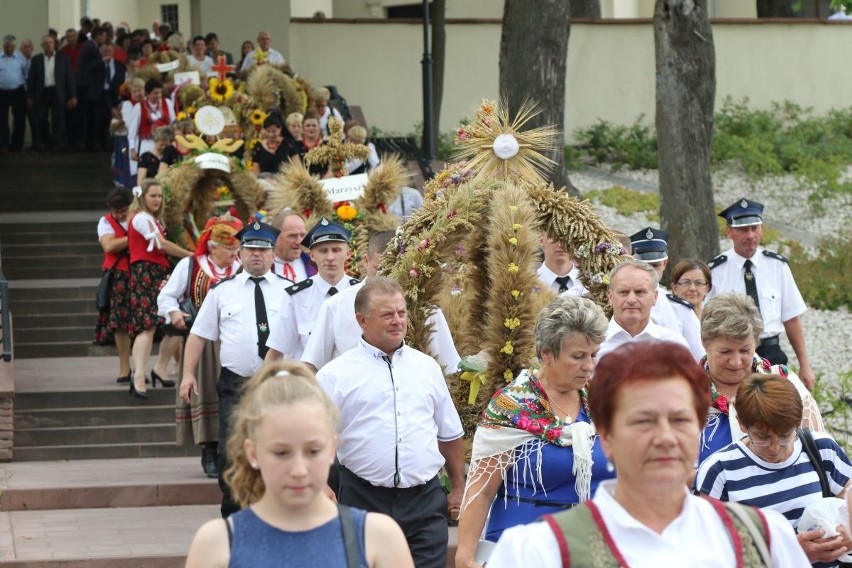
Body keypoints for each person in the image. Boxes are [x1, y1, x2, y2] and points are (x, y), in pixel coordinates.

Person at [486, 341, 810, 567]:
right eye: (643, 420)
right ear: (608, 437)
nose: (666, 437)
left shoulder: (764, 536)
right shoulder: (538, 552)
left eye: (681, 419)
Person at [185, 360, 415, 568]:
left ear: (332, 449)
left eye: (313, 451)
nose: (299, 470)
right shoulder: (216, 545)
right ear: (252, 453)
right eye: (281, 452)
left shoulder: (377, 538)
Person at [455, 295, 616, 568]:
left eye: (593, 355)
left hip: (590, 551)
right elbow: (481, 491)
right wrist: (465, 556)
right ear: (546, 354)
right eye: (577, 356)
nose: (589, 365)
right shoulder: (511, 406)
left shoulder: (600, 404)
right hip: (521, 552)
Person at [316, 277, 466, 568]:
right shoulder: (335, 375)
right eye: (387, 314)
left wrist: (458, 485)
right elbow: (315, 439)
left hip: (424, 502)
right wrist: (319, 484)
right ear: (362, 320)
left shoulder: (427, 367)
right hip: (363, 500)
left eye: (402, 312)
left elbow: (449, 433)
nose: (397, 321)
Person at [181, 220, 301, 518]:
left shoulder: (292, 291)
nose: (256, 255)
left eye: (263, 249)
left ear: (274, 253)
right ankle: (235, 516)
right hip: (236, 383)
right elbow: (198, 334)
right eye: (250, 250)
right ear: (240, 254)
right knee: (230, 453)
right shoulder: (222, 291)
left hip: (278, 384)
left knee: (278, 447)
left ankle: (275, 510)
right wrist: (187, 374)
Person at [696, 374, 852, 566]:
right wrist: (788, 552)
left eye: (786, 435)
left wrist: (847, 533)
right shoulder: (719, 471)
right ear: (742, 424)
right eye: (763, 437)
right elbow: (706, 549)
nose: (775, 447)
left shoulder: (821, 448)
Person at [301, 230, 460, 375]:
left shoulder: (425, 307)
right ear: (366, 260)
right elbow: (312, 365)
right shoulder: (336, 305)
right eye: (380, 268)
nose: (386, 276)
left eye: (394, 269)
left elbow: (449, 368)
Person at [160, 215, 243, 479]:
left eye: (235, 249)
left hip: (235, 340)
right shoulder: (191, 265)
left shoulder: (242, 270)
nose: (234, 254)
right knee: (205, 391)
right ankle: (209, 450)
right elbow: (167, 296)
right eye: (229, 249)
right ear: (212, 247)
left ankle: (233, 451)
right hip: (202, 342)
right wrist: (173, 313)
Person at [697, 293, 824, 466]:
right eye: (725, 352)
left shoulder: (786, 383)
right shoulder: (684, 393)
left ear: (756, 342)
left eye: (744, 350)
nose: (735, 362)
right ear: (704, 342)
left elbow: (818, 453)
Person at [707, 197, 815, 389]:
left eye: (754, 228)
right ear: (729, 232)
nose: (750, 235)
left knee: (776, 412)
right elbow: (706, 323)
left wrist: (805, 365)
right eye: (742, 229)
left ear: (761, 230)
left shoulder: (777, 266)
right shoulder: (716, 270)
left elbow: (791, 318)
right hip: (734, 357)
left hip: (771, 352)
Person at [126, 179, 192, 399]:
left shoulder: (152, 219)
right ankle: (138, 376)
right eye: (153, 195)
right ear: (142, 196)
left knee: (177, 324)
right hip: (145, 273)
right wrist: (191, 256)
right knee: (147, 327)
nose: (157, 199)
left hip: (159, 274)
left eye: (159, 196)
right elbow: (161, 245)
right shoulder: (141, 218)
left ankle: (160, 369)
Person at [266, 218, 358, 358]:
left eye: (336, 250)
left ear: (348, 254)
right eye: (323, 251)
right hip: (310, 378)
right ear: (312, 255)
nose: (330, 257)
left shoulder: (362, 293)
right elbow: (276, 351)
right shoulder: (295, 297)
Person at [629, 227, 704, 359]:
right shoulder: (619, 303)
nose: (649, 271)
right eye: (644, 265)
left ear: (665, 263)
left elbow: (700, 357)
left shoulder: (680, 309)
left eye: (655, 265)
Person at [597, 259, 690, 359]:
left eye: (639, 292)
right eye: (623, 292)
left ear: (655, 297)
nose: (631, 300)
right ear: (610, 297)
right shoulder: (593, 346)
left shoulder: (674, 345)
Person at [94, 188, 133, 383]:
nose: (120, 214)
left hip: (141, 272)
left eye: (123, 210)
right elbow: (109, 245)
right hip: (118, 275)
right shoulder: (105, 222)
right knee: (119, 323)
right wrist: (136, 237)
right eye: (116, 211)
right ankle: (125, 367)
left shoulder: (140, 217)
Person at [26, 34, 76, 153]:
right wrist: (29, 96)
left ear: (54, 44)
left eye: (50, 43)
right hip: (42, 92)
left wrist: (73, 96)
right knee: (41, 118)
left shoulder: (63, 58)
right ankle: (46, 142)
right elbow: (31, 80)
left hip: (57, 92)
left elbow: (69, 78)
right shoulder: (36, 59)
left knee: (58, 119)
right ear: (42, 45)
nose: (48, 45)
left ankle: (57, 144)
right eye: (46, 43)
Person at [127, 78, 175, 163]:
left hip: (166, 144)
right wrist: (132, 149)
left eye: (160, 92)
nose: (159, 95)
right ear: (147, 94)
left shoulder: (167, 103)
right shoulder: (138, 107)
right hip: (147, 145)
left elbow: (173, 123)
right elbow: (132, 131)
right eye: (155, 93)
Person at [111, 77, 144, 188]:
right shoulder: (127, 105)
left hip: (145, 140)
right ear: (130, 92)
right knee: (132, 169)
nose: (137, 94)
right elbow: (129, 122)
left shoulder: (147, 103)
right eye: (134, 91)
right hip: (131, 140)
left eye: (139, 91)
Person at [270, 209, 316, 283]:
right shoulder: (262, 268)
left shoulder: (314, 264)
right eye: (292, 235)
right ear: (275, 236)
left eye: (302, 235)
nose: (299, 241)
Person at [0, 34, 28, 153]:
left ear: (15, 46)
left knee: (19, 119)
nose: (9, 49)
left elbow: (26, 75)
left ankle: (17, 146)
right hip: (1, 92)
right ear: (3, 46)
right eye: (7, 47)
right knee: (1, 120)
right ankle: (3, 145)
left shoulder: (21, 58)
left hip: (18, 92)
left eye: (11, 47)